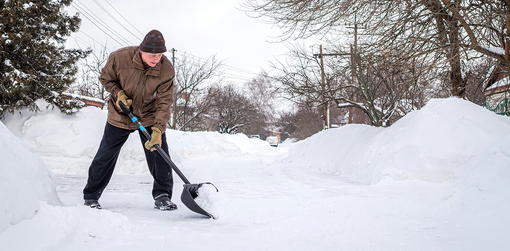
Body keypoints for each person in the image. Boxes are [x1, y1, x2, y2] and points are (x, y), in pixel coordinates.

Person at [83, 30, 176, 211]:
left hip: (148, 115)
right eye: (152, 55)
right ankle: (91, 196)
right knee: (106, 155)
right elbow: (105, 78)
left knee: (160, 153)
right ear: (141, 50)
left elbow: (165, 102)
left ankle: (162, 195)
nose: (156, 59)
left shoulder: (166, 69)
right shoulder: (120, 57)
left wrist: (158, 129)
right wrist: (119, 94)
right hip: (121, 113)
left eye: (159, 55)